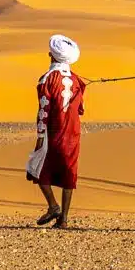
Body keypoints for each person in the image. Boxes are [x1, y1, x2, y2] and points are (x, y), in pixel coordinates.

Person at [26, 34, 86, 228]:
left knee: (35, 168)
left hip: (53, 132)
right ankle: (64, 219)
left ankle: (53, 206)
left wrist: (40, 136)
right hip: (73, 133)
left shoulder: (47, 79)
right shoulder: (77, 81)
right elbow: (80, 109)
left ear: (51, 56)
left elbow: (43, 110)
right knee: (69, 170)